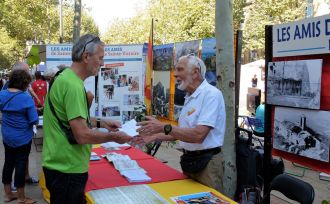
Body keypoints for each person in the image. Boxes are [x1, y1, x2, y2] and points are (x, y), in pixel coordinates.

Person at [42, 34, 132, 204]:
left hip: (59, 165)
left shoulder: (64, 78)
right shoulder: (73, 85)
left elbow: (71, 118)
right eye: (100, 58)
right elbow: (82, 135)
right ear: (86, 57)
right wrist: (113, 137)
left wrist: (101, 122)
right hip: (67, 169)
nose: (102, 63)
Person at [135, 54, 226, 192]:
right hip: (190, 161)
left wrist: (163, 126)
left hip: (207, 163)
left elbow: (198, 135)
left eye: (180, 69)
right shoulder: (190, 96)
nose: (175, 74)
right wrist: (153, 136)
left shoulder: (211, 95)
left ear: (195, 72)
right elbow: (181, 133)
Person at [0, 69, 39, 203]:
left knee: (8, 162)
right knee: (20, 164)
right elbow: (34, 120)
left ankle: (8, 194)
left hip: (6, 135)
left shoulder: (2, 94)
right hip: (22, 137)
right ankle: (22, 197)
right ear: (24, 83)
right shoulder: (26, 97)